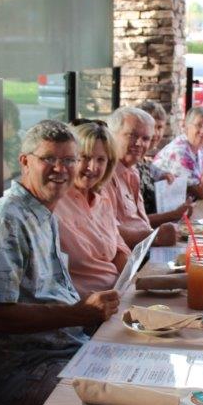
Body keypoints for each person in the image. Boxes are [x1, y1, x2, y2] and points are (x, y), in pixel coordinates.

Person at [0, 120, 120, 405]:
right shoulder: (5, 219)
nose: (61, 169)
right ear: (25, 161)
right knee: (126, 399)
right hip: (23, 371)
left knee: (149, 366)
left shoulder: (44, 213)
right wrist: (78, 313)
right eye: (49, 159)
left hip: (68, 349)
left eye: (69, 160)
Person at [53, 122, 129, 297]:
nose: (93, 167)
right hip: (84, 309)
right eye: (85, 157)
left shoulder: (103, 201)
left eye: (100, 159)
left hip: (117, 294)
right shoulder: (54, 203)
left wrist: (130, 284)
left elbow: (118, 250)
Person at [103, 106, 178, 247]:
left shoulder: (133, 170)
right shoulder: (103, 175)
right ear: (111, 134)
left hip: (147, 249)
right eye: (132, 135)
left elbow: (141, 223)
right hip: (131, 258)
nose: (139, 144)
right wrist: (155, 236)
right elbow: (109, 232)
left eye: (145, 138)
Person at [152, 106, 203, 200]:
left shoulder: (198, 150)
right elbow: (201, 193)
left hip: (186, 208)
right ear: (186, 127)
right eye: (199, 125)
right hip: (167, 211)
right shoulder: (179, 151)